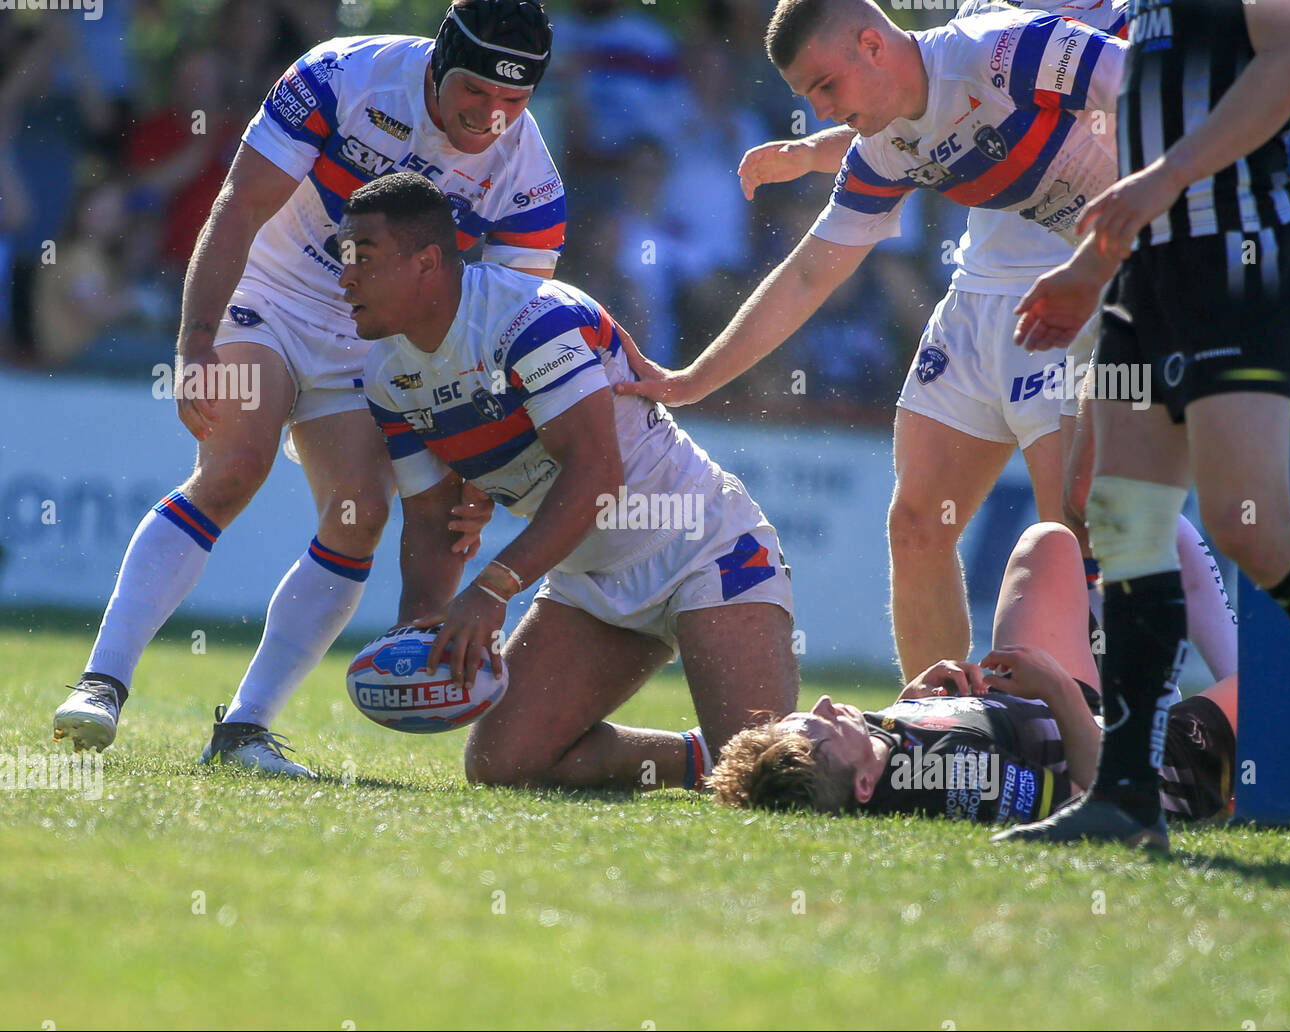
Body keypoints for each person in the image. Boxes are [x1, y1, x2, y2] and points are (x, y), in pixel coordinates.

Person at [53, 1, 565, 777]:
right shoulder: (341, 75)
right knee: (234, 467)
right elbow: (241, 207)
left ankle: (244, 732)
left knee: (359, 513)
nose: (492, 117)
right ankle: (102, 682)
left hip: (376, 339)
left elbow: (494, 337)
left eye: (514, 102)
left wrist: (479, 467)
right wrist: (196, 338)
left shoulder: (530, 182)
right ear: (437, 64)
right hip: (272, 292)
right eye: (476, 93)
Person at [614, 0, 1128, 678]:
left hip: (1118, 283)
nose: (822, 108)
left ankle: (1105, 748)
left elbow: (1161, 85)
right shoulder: (888, 137)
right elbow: (806, 275)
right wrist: (693, 379)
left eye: (825, 87)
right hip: (995, 291)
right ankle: (937, 739)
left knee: (1076, 534)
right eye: (810, 96)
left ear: (869, 43)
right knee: (915, 524)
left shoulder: (1001, 47)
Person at [343, 173, 798, 790]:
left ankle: (907, 744)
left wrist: (493, 589)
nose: (344, 279)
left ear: (426, 263)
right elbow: (431, 516)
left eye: (363, 260)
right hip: (588, 578)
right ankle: (696, 760)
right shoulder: (385, 373)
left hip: (705, 550)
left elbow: (596, 475)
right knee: (503, 767)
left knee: (767, 779)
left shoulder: (530, 319)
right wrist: (424, 626)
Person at [1001, 0, 1290, 844]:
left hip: (1237, 257)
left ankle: (1128, 795)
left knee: (1252, 527)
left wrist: (1166, 178)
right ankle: (1127, 797)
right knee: (1122, 521)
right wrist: (1090, 271)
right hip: (1144, 277)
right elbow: (1147, 149)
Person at [711, 522, 1236, 834]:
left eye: (807, 713)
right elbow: (1094, 795)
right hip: (1137, 761)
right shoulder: (956, 779)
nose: (825, 703)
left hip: (1055, 710)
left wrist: (910, 705)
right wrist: (1053, 685)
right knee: (1280, 686)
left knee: (1048, 543)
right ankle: (1225, 728)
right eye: (826, 727)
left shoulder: (867, 761)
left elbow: (902, 741)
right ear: (866, 785)